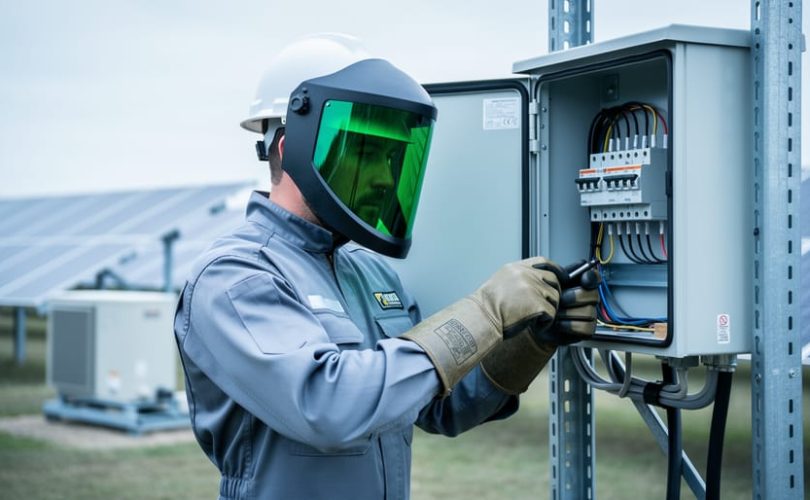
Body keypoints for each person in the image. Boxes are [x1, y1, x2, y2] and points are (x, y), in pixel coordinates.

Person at [173, 33, 599, 500]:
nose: (381, 178)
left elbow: (443, 404)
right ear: (285, 147)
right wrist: (486, 312)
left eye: (392, 158)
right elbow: (328, 407)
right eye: (364, 153)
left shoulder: (369, 273)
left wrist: (533, 340)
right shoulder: (235, 276)